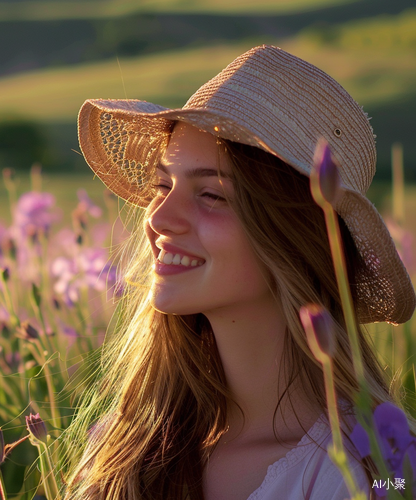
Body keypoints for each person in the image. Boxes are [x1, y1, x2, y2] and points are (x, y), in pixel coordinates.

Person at [58, 45, 416, 499]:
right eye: (162, 185)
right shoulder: (123, 446)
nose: (158, 218)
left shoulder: (368, 470)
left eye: (211, 195)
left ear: (293, 235)